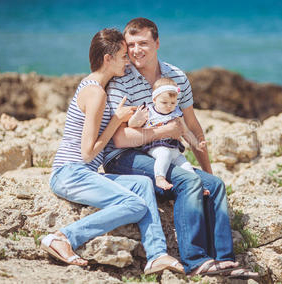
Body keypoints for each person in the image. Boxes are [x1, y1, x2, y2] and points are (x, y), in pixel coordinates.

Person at [104, 18, 258, 279]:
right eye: (131, 44)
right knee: (188, 181)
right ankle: (195, 260)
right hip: (124, 158)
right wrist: (163, 132)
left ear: (157, 43)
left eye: (143, 43)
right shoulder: (121, 80)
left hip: (163, 155)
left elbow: (193, 126)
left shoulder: (176, 78)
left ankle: (224, 261)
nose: (136, 50)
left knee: (216, 184)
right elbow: (121, 139)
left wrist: (207, 175)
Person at [41, 28, 184, 275]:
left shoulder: (97, 88)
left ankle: (157, 254)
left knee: (141, 184)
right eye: (123, 56)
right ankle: (63, 237)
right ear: (108, 59)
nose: (127, 62)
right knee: (135, 204)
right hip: (70, 173)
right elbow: (87, 153)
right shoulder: (95, 92)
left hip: (84, 173)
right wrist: (116, 121)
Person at [127, 77, 208, 194]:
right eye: (164, 102)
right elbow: (132, 125)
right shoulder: (149, 112)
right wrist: (136, 117)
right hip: (156, 146)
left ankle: (198, 186)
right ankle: (160, 178)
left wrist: (196, 144)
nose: (169, 106)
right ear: (154, 99)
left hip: (174, 148)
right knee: (164, 154)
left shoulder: (176, 114)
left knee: (186, 165)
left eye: (173, 103)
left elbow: (185, 132)